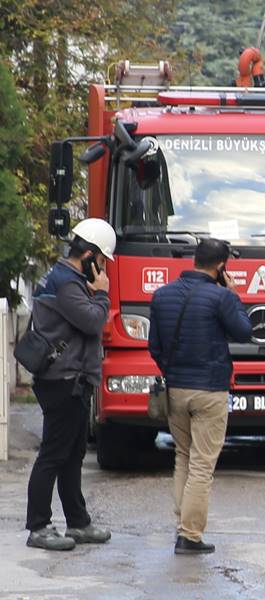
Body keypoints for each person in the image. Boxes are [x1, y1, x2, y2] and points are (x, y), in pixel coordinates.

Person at [149, 238, 252, 555]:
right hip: (209, 390)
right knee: (202, 466)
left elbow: (155, 346)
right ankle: (190, 535)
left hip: (176, 389)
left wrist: (173, 370)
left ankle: (184, 524)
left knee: (183, 457)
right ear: (222, 267)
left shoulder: (162, 295)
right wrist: (235, 296)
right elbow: (244, 332)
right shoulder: (221, 297)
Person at [24, 218, 116, 551]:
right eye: (102, 260)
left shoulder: (65, 277)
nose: (104, 268)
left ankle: (78, 523)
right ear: (90, 255)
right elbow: (93, 322)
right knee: (53, 454)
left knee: (72, 454)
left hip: (71, 378)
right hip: (63, 379)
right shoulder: (67, 283)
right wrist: (102, 295)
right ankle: (38, 527)